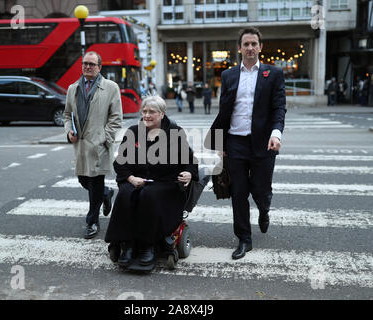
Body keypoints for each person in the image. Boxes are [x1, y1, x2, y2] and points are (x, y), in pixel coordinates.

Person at [205, 27, 286, 260]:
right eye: (246, 44)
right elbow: (224, 111)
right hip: (235, 143)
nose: (250, 48)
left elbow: (279, 108)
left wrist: (276, 133)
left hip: (264, 143)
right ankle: (244, 239)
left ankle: (264, 208)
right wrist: (220, 143)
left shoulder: (274, 74)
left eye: (254, 44)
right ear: (239, 48)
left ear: (261, 47)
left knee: (261, 189)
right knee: (239, 192)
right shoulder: (229, 75)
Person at [105, 95, 198, 267]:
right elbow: (119, 162)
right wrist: (131, 179)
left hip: (165, 183)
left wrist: (189, 173)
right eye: (144, 111)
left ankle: (149, 246)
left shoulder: (175, 133)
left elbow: (190, 161)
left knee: (149, 194)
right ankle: (129, 245)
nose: (146, 115)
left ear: (162, 114)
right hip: (136, 180)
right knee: (125, 194)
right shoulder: (134, 131)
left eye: (152, 112)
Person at [63, 51, 123, 239]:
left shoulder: (111, 87)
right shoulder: (73, 88)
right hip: (80, 145)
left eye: (91, 64)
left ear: (99, 67)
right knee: (83, 180)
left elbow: (116, 117)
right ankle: (106, 193)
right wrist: (68, 131)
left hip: (99, 145)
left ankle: (92, 222)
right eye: (85, 63)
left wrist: (105, 136)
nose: (87, 67)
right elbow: (67, 115)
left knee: (95, 182)